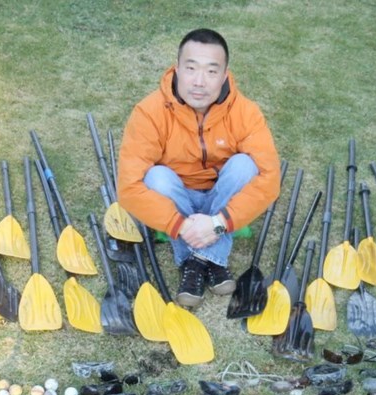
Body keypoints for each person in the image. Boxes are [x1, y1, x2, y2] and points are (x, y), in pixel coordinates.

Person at [117, 28, 281, 308]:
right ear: (177, 68)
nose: (199, 82)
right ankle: (212, 261)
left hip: (222, 196)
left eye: (211, 71)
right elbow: (129, 187)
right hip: (177, 196)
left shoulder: (246, 112)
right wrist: (179, 224)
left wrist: (218, 223)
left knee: (244, 165)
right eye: (191, 68)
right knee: (156, 177)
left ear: (225, 73)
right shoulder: (148, 112)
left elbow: (270, 179)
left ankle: (195, 262)